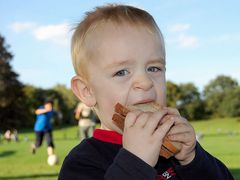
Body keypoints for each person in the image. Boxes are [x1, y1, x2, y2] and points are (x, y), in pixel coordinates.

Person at [59, 4, 233, 180]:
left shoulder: (175, 149)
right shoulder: (83, 163)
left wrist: (193, 158)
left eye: (154, 68)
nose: (145, 82)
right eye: (121, 72)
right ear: (87, 91)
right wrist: (135, 162)